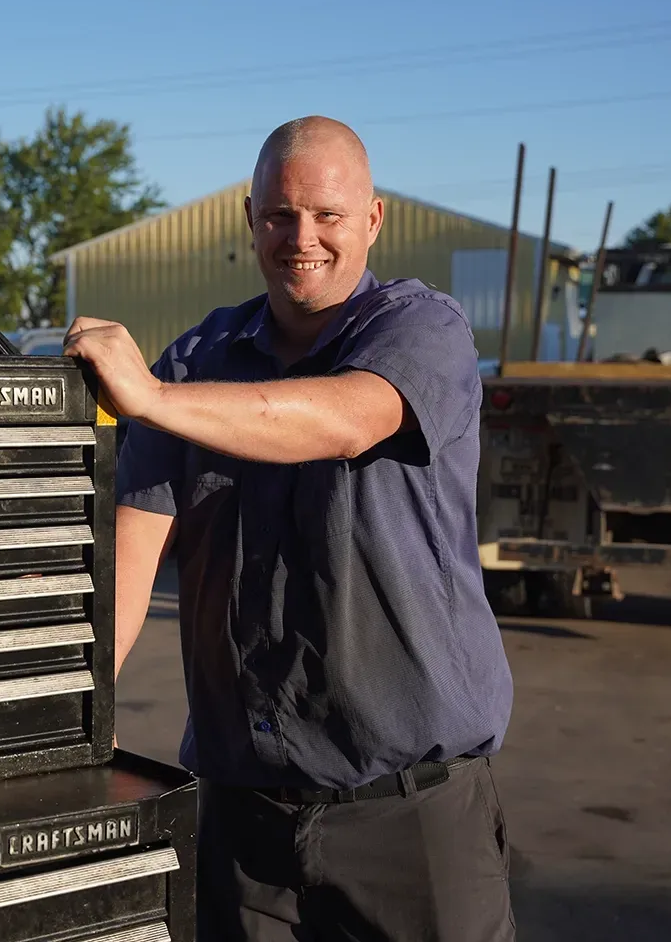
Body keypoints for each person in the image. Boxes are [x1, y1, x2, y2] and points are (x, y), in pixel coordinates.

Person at [64, 116, 516, 941]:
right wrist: (85, 702)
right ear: (250, 219)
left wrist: (151, 398)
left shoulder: (423, 330)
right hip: (242, 821)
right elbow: (131, 543)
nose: (301, 237)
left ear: (372, 220)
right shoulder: (201, 359)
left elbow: (343, 420)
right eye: (279, 215)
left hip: (411, 822)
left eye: (326, 215)